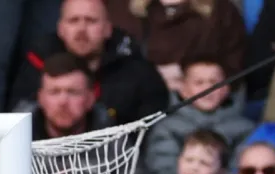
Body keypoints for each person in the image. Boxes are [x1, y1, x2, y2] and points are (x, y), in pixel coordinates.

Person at [12, 0, 167, 125]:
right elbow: (15, 119)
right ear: (60, 29)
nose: (81, 29)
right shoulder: (37, 63)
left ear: (108, 29)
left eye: (91, 21)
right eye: (74, 20)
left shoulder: (136, 69)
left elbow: (155, 129)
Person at [144, 55, 255, 174]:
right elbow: (163, 170)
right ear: (183, 89)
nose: (208, 89)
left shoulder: (245, 129)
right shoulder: (167, 128)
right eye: (199, 82)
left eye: (215, 83)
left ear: (226, 88)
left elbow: (242, 171)